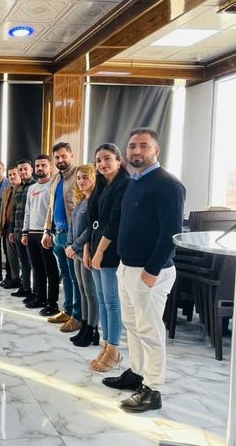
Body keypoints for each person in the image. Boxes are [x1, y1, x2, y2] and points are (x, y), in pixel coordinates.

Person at [103, 128, 185, 413]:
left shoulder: (168, 185)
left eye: (143, 146)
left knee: (150, 330)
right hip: (127, 267)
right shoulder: (134, 182)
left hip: (150, 272)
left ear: (156, 150)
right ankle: (137, 374)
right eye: (132, 146)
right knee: (133, 325)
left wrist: (151, 270)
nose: (136, 151)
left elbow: (171, 233)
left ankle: (153, 389)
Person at [85, 143, 130, 372]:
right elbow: (92, 221)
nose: (103, 163)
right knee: (102, 299)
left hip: (110, 250)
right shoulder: (102, 184)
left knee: (112, 302)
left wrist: (100, 251)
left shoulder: (124, 184)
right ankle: (105, 346)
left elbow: (115, 222)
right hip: (95, 246)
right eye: (99, 160)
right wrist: (88, 249)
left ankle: (114, 349)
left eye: (107, 158)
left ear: (119, 161)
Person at [41, 142, 81, 332]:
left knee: (75, 278)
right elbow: (51, 208)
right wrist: (47, 231)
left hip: (73, 236)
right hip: (57, 234)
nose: (60, 160)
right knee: (65, 275)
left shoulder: (79, 175)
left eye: (64, 156)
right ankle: (67, 310)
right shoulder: (56, 178)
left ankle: (77, 316)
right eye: (57, 157)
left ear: (71, 155)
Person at [21, 155, 60, 315]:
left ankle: (52, 303)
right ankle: (40, 297)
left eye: (43, 165)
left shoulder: (54, 185)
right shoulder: (32, 188)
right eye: (37, 166)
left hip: (46, 234)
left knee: (51, 270)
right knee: (37, 269)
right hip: (32, 233)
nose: (40, 168)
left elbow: (54, 211)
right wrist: (25, 232)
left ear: (50, 167)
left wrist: (50, 231)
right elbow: (27, 212)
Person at [65, 164, 99, 347]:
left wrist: (75, 245)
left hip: (88, 252)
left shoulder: (95, 200)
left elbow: (90, 229)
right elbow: (72, 226)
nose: (81, 181)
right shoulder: (81, 201)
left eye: (85, 177)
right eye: (78, 178)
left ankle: (92, 330)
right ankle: (84, 326)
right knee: (82, 291)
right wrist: (69, 244)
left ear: (93, 178)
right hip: (76, 252)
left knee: (91, 293)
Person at [9, 159, 36, 298]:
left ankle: (36, 292)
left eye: (25, 169)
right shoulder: (18, 188)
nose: (23, 172)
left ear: (31, 170)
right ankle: (25, 288)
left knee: (34, 263)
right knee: (24, 262)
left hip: (31, 232)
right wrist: (12, 230)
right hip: (18, 231)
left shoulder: (36, 186)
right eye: (20, 169)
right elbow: (14, 210)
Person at [0, 167, 21, 289]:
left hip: (19, 227)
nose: (12, 177)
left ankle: (23, 281)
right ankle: (14, 278)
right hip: (7, 226)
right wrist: (0, 228)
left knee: (23, 256)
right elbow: (2, 210)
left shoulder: (24, 189)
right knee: (10, 255)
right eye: (10, 175)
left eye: (14, 174)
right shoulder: (6, 191)